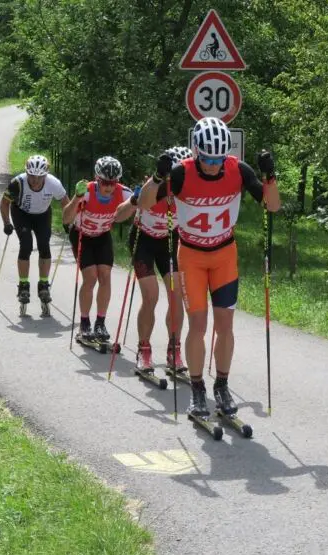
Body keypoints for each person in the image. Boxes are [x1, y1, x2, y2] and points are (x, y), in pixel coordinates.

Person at [137, 117, 281, 418]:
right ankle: (198, 388)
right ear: (196, 151)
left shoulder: (238, 170)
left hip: (224, 255)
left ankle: (222, 386)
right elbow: (145, 203)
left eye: (218, 157)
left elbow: (272, 206)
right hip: (191, 257)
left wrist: (270, 176)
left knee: (226, 326)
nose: (214, 164)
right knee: (199, 327)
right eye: (207, 157)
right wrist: (158, 177)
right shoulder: (181, 174)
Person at [113, 146, 193, 372]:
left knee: (177, 295)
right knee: (151, 296)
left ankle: (174, 350)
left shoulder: (190, 190)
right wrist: (133, 201)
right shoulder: (153, 186)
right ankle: (144, 349)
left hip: (169, 241)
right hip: (144, 241)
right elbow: (118, 217)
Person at [62, 156, 133, 341]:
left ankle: (100, 323)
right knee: (91, 277)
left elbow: (136, 210)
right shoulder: (86, 191)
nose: (109, 187)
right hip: (81, 236)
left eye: (113, 182)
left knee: (105, 276)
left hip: (102, 236)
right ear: (97, 178)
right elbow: (66, 218)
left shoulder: (123, 193)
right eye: (104, 182)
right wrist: (76, 198)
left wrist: (137, 201)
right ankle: (84, 322)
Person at [0, 155, 70, 306]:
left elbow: (65, 202)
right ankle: (23, 285)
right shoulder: (17, 183)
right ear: (27, 173)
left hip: (43, 215)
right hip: (21, 213)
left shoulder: (53, 183)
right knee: (26, 245)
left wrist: (67, 220)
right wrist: (6, 223)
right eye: (32, 176)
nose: (35, 181)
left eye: (39, 177)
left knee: (44, 245)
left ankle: (43, 285)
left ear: (45, 175)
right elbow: (4, 203)